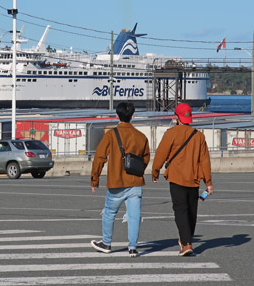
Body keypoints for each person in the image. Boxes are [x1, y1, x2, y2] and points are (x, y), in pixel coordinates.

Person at [152, 102, 214, 256]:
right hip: (194, 179)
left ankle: (186, 244)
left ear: (177, 118)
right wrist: (209, 183)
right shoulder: (199, 136)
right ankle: (187, 240)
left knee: (180, 210)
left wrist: (155, 171)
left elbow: (160, 154)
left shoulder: (171, 133)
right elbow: (205, 161)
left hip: (176, 178)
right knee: (192, 211)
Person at [90, 102, 150, 258]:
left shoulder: (110, 135)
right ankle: (133, 247)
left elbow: (99, 157)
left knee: (109, 212)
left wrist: (94, 178)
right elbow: (146, 158)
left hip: (116, 181)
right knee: (134, 216)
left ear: (117, 115)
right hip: (135, 182)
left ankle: (106, 243)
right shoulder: (141, 137)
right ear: (132, 116)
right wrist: (138, 170)